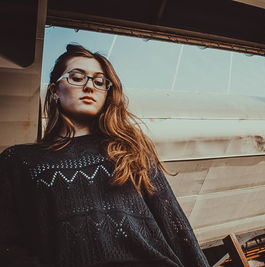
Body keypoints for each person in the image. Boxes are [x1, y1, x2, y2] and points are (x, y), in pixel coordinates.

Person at [0, 44, 210, 267]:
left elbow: (175, 226)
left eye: (100, 82)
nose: (90, 86)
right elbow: (8, 245)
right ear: (54, 91)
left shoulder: (130, 150)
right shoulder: (19, 161)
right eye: (77, 77)